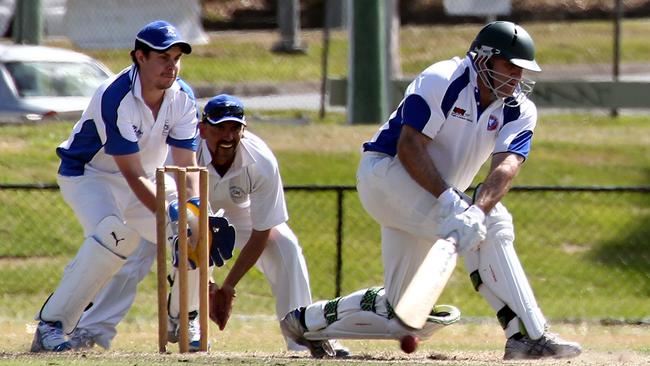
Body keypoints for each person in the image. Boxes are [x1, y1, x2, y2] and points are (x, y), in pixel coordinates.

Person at [280, 21, 583, 360]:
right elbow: (410, 145)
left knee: (404, 317)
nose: (516, 77)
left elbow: (507, 165)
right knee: (495, 225)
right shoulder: (443, 78)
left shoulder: (519, 108)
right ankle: (528, 335)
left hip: (431, 197)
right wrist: (454, 203)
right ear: (483, 60)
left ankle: (306, 322)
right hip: (386, 175)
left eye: (522, 69)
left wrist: (474, 211)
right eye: (509, 66)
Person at [64, 94, 349, 356]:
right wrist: (207, 286)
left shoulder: (260, 161)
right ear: (202, 129)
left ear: (243, 130)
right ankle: (92, 329)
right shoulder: (182, 151)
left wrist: (228, 288)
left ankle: (303, 334)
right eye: (219, 128)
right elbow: (175, 203)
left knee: (285, 245)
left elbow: (262, 229)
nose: (227, 136)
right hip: (182, 212)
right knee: (138, 252)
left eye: (234, 128)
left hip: (240, 217)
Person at [30, 20, 203, 352]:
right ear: (139, 56)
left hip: (146, 178)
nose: (172, 65)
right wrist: (171, 217)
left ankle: (184, 316)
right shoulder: (115, 94)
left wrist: (189, 210)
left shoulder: (182, 96)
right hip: (90, 175)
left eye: (177, 57)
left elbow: (186, 167)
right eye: (163, 57)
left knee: (198, 224)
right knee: (113, 236)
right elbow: (132, 175)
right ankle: (51, 327)